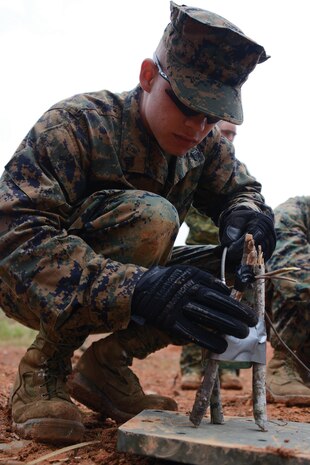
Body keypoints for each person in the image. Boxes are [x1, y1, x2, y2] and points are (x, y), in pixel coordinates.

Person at [0, 2, 276, 445]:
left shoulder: (204, 145)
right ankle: (44, 368)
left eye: (211, 116)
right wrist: (137, 288)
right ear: (149, 76)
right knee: (154, 218)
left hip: (123, 278)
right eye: (187, 105)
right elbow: (15, 241)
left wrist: (248, 217)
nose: (197, 126)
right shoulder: (76, 125)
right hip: (31, 281)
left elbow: (242, 190)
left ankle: (106, 367)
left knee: (236, 264)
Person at [180, 121, 246, 391]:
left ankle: (230, 369)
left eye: (233, 133)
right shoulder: (198, 165)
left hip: (230, 255)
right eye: (225, 131)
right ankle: (191, 368)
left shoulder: (233, 171)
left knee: (233, 308)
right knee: (193, 306)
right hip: (201, 248)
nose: (229, 137)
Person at [266, 196, 310, 405]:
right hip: (261, 305)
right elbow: (297, 279)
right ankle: (281, 366)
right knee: (292, 278)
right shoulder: (290, 214)